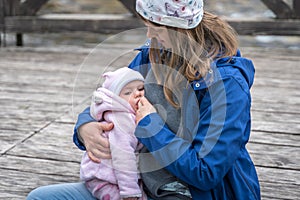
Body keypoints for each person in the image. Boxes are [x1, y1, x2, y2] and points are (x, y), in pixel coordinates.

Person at [27, 0, 261, 199]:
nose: (149, 35)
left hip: (196, 193)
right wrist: (85, 126)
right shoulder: (152, 53)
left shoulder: (228, 85)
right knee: (39, 197)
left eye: (156, 28)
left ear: (179, 29)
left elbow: (205, 173)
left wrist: (150, 125)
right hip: (138, 186)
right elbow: (111, 95)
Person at [80, 67, 147, 200]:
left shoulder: (129, 114)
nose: (137, 94)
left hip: (117, 177)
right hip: (103, 179)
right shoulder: (121, 120)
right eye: (128, 92)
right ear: (115, 98)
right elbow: (123, 156)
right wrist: (130, 192)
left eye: (140, 89)